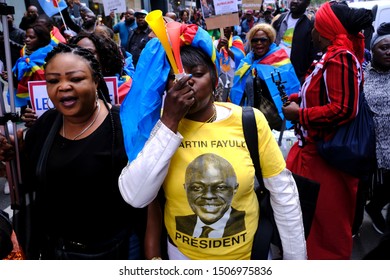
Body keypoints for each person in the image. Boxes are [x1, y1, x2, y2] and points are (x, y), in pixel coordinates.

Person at [118, 23, 306, 260]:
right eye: (174, 77)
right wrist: (169, 122)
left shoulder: (249, 121)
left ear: (215, 78)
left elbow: (284, 196)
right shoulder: (155, 127)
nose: (186, 83)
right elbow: (137, 197)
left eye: (196, 74)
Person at [12, 43, 146, 259]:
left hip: (113, 251)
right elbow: (27, 175)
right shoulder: (46, 124)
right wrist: (11, 149)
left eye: (75, 79)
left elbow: (148, 198)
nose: (63, 87)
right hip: (55, 252)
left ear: (95, 81)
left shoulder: (124, 126)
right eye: (53, 81)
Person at [281, 1, 373, 259]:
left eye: (315, 26)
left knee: (325, 228)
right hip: (316, 155)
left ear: (324, 30)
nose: (310, 32)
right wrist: (300, 95)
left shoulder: (340, 58)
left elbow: (344, 109)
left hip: (325, 162)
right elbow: (326, 92)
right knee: (313, 223)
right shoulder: (333, 56)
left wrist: (300, 114)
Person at [229, 23, 300, 131]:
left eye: (263, 40)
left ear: (270, 41)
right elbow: (238, 86)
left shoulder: (280, 59)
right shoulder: (247, 61)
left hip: (276, 118)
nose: (259, 43)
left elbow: (291, 87)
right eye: (254, 40)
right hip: (254, 118)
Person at [176, 153, 246, 238]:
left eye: (220, 187)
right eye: (197, 188)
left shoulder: (244, 223)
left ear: (235, 188)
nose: (208, 196)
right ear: (186, 188)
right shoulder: (180, 223)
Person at [364, 22, 390, 235]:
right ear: (373, 50)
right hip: (374, 143)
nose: (389, 52)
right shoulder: (364, 75)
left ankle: (375, 207)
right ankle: (372, 207)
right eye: (384, 48)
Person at [69, 32, 134, 103]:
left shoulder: (126, 87)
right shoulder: (66, 87)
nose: (82, 57)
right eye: (78, 53)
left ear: (103, 56)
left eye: (89, 52)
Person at [10, 23, 53, 107]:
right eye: (26, 37)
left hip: (46, 101)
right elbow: (23, 83)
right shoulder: (24, 56)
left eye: (32, 37)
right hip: (28, 103)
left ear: (42, 39)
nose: (27, 40)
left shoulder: (50, 56)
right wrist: (11, 78)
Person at [272, 0, 315, 84]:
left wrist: (305, 75)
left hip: (298, 76)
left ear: (307, 3)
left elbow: (313, 52)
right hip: (277, 71)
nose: (295, 1)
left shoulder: (311, 22)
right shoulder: (280, 19)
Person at [214, 26, 245, 101]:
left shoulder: (237, 40)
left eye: (227, 27)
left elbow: (241, 59)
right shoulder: (215, 43)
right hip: (222, 78)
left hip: (235, 78)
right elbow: (214, 60)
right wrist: (218, 48)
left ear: (231, 28)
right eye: (222, 27)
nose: (224, 29)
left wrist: (227, 49)